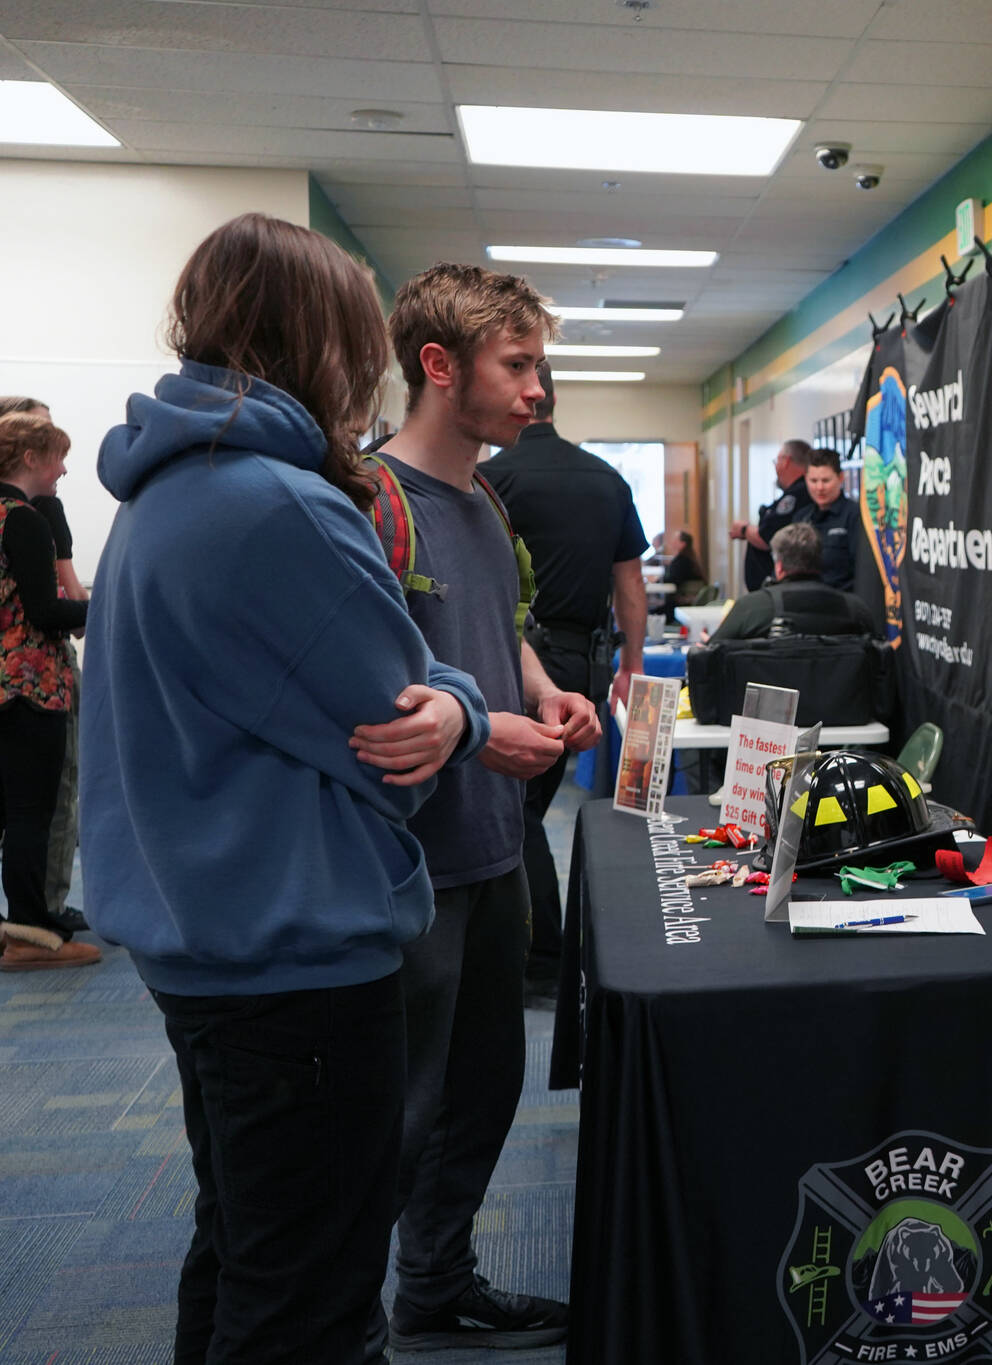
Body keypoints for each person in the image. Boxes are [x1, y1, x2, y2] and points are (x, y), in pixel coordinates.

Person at [81, 212, 489, 1362]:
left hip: (207, 943)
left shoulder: (165, 489)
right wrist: (458, 706)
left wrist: (438, 696)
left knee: (247, 1248)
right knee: (310, 1296)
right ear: (325, 338)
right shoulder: (274, 504)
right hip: (294, 963)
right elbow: (395, 719)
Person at [374, 261, 602, 1351]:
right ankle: (336, 1309)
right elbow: (369, 692)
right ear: (437, 365)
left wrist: (544, 688)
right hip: (406, 866)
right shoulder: (372, 503)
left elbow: (497, 622)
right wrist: (475, 730)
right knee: (396, 1116)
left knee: (482, 1091)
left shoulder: (482, 496)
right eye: (516, 366)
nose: (536, 391)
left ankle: (437, 1281)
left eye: (537, 366)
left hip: (493, 850)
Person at [479, 358, 646, 1002]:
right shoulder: (607, 479)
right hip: (587, 663)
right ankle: (541, 951)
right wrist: (630, 666)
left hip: (518, 662)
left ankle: (543, 957)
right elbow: (628, 583)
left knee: (515, 815)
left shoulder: (490, 479)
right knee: (527, 812)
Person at [0, 412, 93, 970]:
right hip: (29, 687)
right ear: (30, 459)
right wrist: (109, 605)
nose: (62, 469)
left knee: (5, 815)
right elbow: (46, 612)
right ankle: (32, 937)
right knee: (32, 815)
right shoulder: (24, 521)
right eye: (56, 457)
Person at [709, 522, 879, 642]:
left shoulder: (751, 608)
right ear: (820, 561)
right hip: (842, 693)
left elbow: (709, 656)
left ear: (779, 567)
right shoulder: (855, 609)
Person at [730, 438, 810, 591]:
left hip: (777, 588)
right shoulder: (795, 493)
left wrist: (744, 529)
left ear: (786, 461)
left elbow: (767, 537)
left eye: (776, 461)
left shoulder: (796, 495)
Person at [793, 445, 859, 591]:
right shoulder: (801, 517)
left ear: (841, 478)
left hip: (841, 605)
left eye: (826, 480)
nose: (819, 488)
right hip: (805, 602)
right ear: (806, 479)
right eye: (813, 481)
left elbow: (862, 571)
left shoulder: (855, 515)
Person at [662, 528, 711, 609]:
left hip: (684, 603)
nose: (672, 542)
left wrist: (658, 580)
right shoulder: (687, 558)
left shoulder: (683, 561)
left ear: (683, 544)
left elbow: (673, 580)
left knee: (653, 611)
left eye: (675, 540)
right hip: (687, 600)